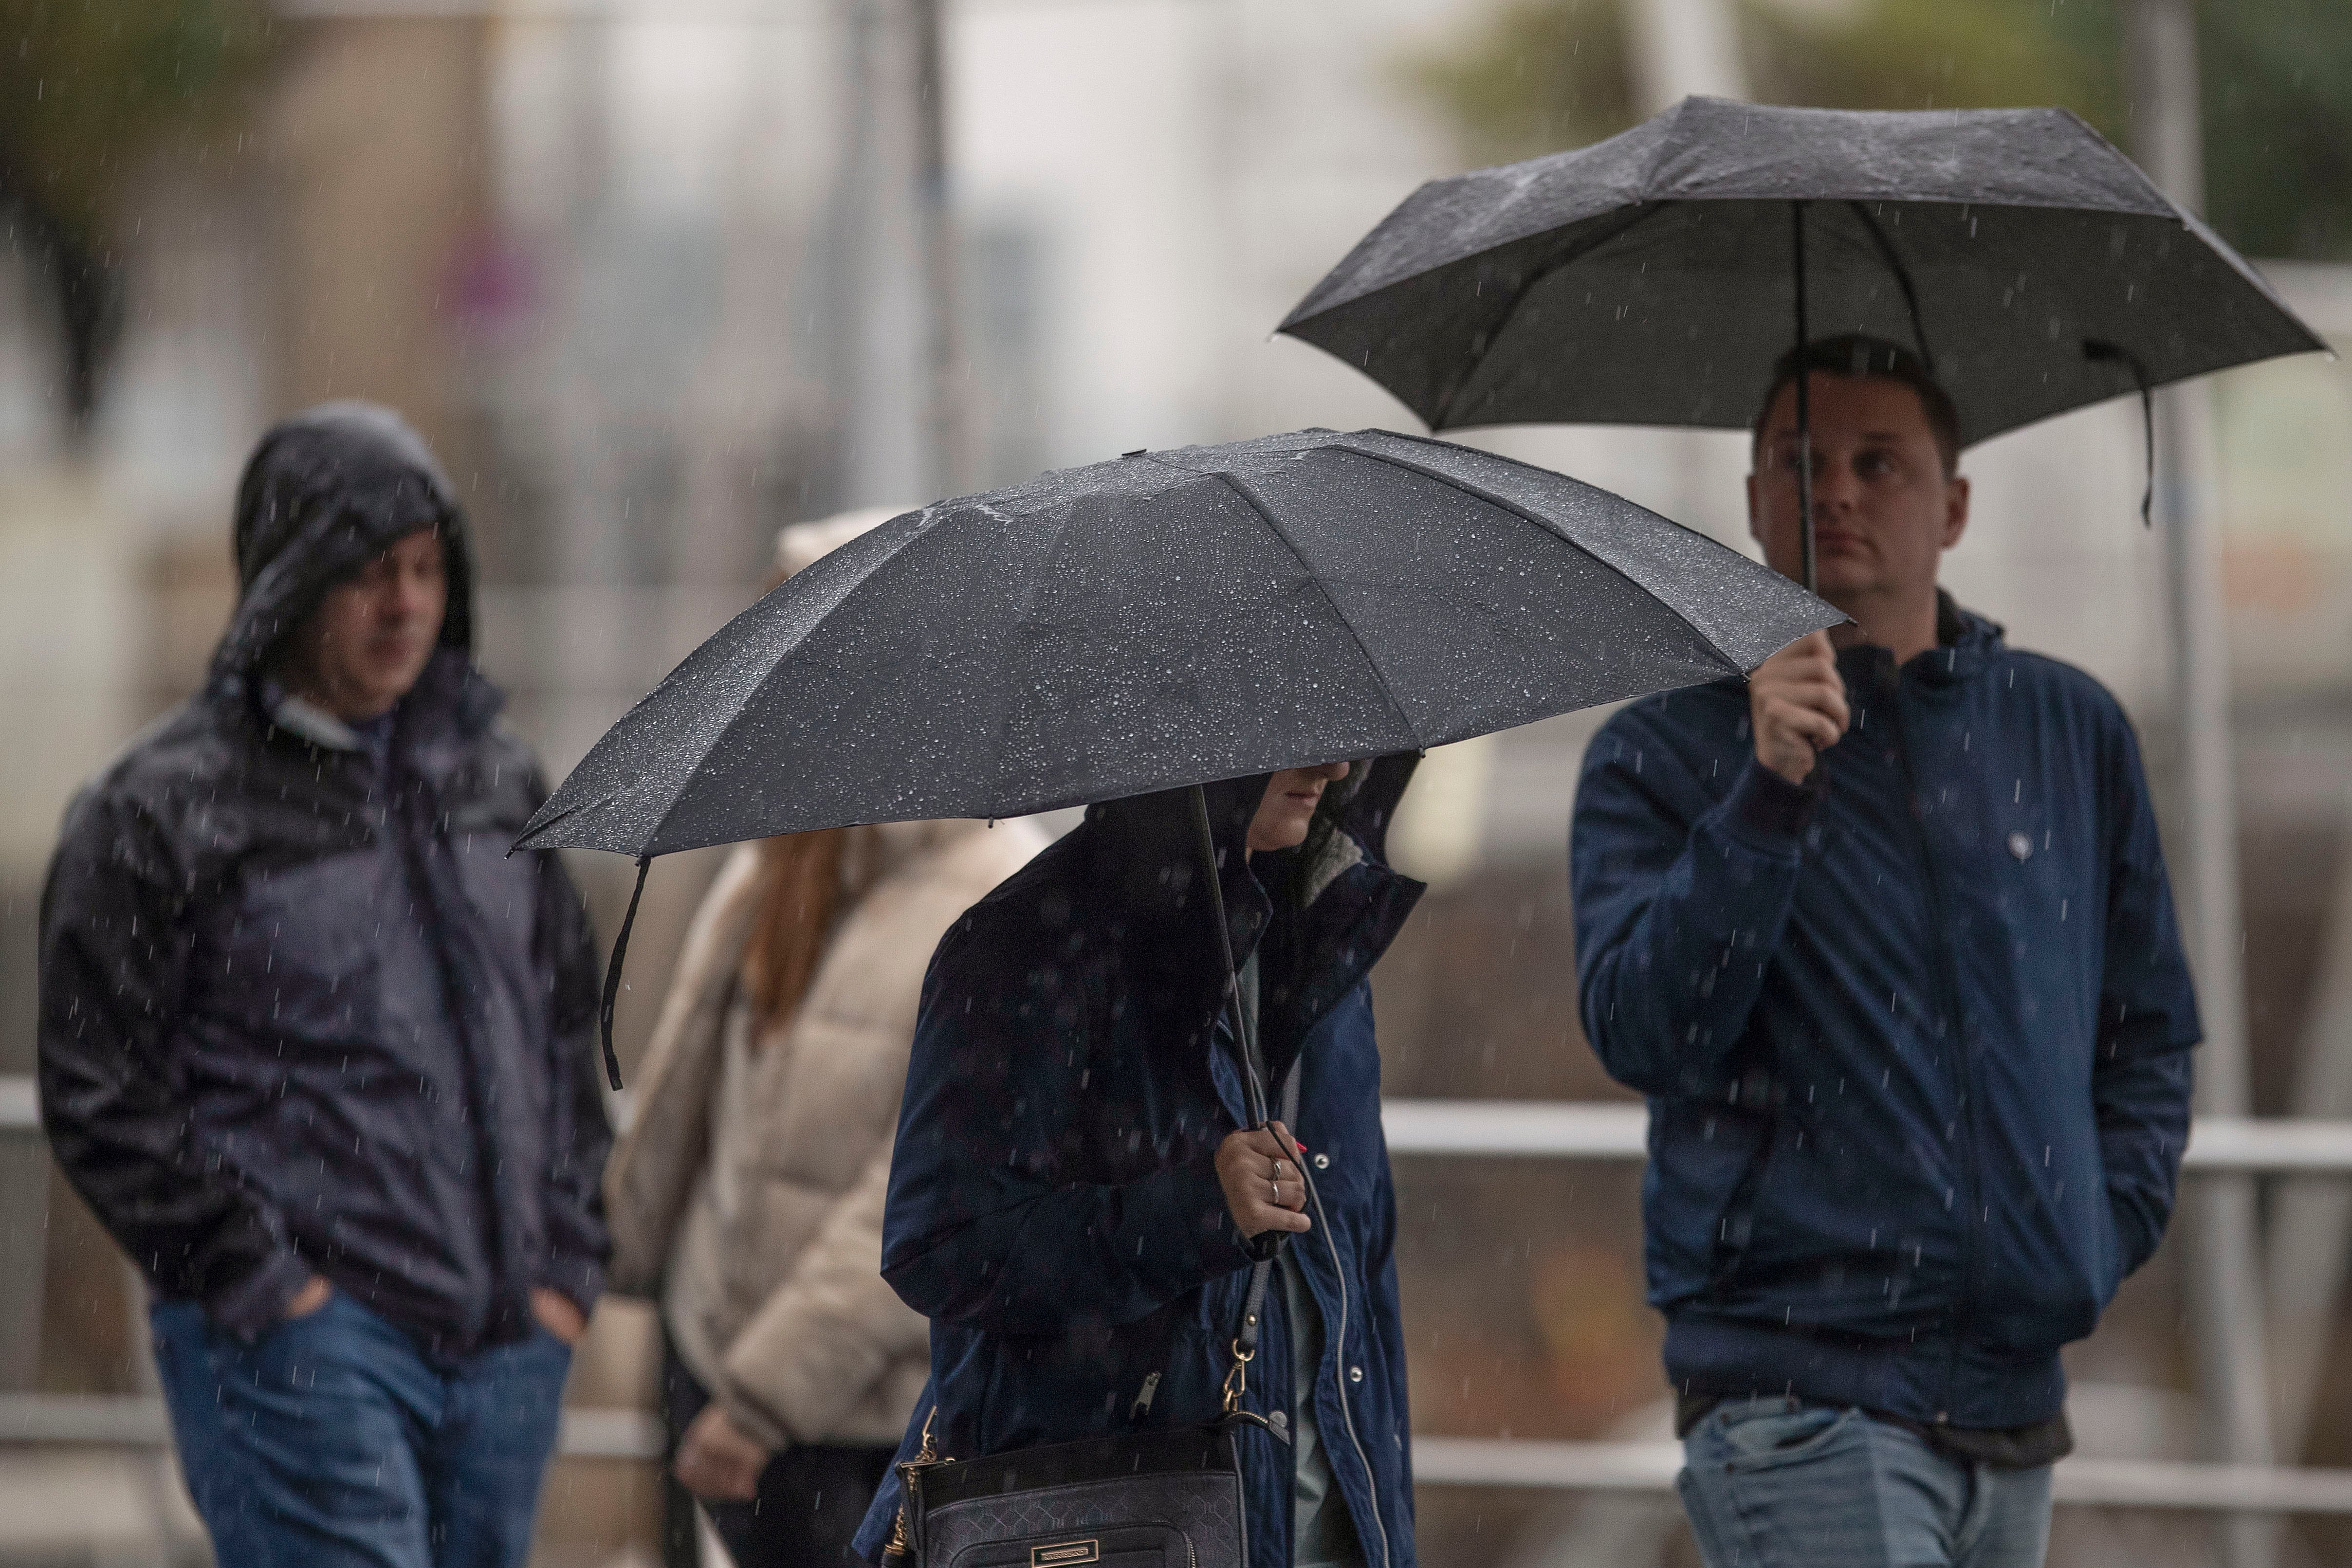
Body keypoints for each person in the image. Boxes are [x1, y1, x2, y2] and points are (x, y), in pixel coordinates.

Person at [1570, 335, 2200, 1568]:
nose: (1836, 490)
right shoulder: (1658, 753)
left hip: (2017, 1405)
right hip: (1800, 1399)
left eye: (1878, 462)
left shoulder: (2066, 728)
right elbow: (1645, 1030)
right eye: (1798, 461)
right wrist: (1765, 796)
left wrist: (2092, 1230)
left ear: (1954, 505)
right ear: (1752, 499)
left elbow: (2144, 1034)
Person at [38, 403, 610, 1568]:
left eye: (424, 570)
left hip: (506, 1345)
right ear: (288, 585)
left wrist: (565, 1271)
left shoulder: (496, 777)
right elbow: (96, 1085)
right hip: (305, 1347)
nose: (405, 606)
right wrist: (262, 1284)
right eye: (366, 575)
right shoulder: (157, 810)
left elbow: (567, 1029)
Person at [603, 511, 1047, 1568]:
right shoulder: (774, 866)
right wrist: (612, 1266)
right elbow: (685, 1108)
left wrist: (762, 1401)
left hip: (845, 1423)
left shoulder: (996, 893)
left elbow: (929, 1188)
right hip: (706, 1361)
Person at [848, 759, 1426, 1568]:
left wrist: (1387, 1538)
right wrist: (1191, 1213)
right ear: (1208, 741)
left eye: (1341, 734)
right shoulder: (1024, 947)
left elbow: (1364, 1291)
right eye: (1291, 726)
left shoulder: (1325, 944)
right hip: (1106, 1527)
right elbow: (940, 1245)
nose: (1334, 765)